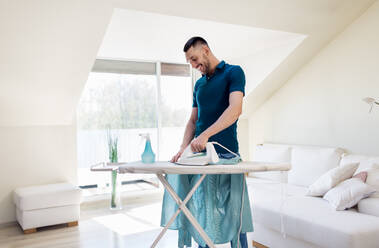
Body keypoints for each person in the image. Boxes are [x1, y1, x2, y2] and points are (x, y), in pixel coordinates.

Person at [160, 37, 253, 248]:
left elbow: (235, 109)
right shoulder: (199, 84)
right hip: (200, 158)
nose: (193, 65)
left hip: (227, 155)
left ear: (206, 50)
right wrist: (183, 148)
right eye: (190, 62)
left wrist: (205, 136)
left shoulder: (233, 72)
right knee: (200, 210)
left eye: (194, 59)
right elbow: (193, 120)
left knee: (233, 212)